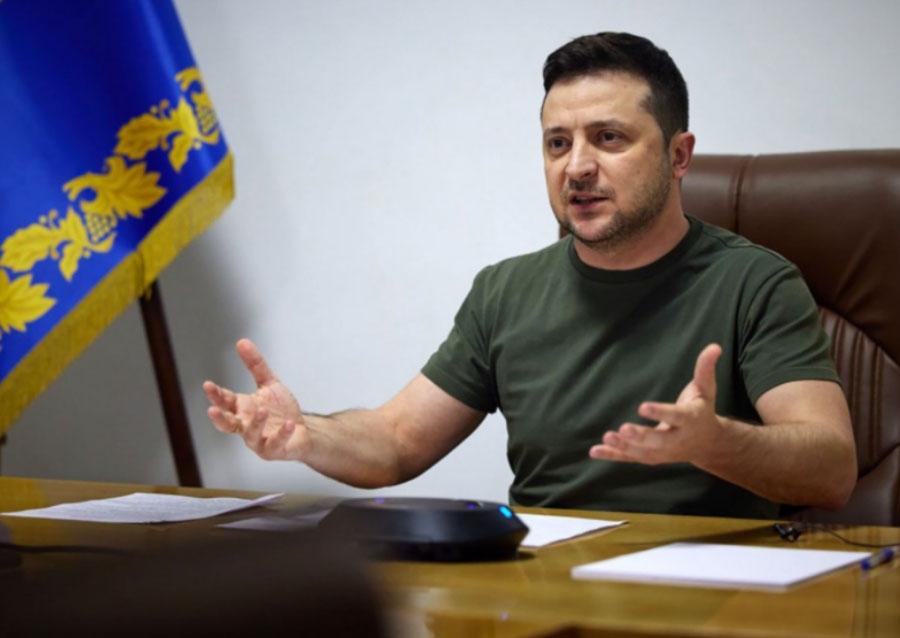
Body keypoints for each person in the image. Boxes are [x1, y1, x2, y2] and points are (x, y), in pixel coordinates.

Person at [204, 32, 857, 519]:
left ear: (679, 155)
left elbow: (831, 472)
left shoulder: (756, 283)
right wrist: (305, 435)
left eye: (608, 138)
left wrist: (715, 443)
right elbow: (397, 441)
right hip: (543, 587)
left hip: (706, 591)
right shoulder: (505, 291)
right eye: (557, 143)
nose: (576, 166)